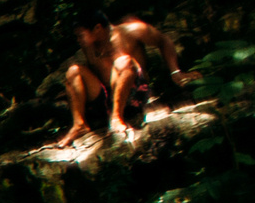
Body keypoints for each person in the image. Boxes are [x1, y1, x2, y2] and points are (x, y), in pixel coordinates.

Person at [56, 9, 198, 147]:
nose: (78, 40)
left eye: (81, 35)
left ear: (97, 28)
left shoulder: (131, 31)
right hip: (105, 100)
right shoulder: (88, 45)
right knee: (73, 71)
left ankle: (117, 117)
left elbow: (163, 41)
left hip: (134, 97)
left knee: (123, 61)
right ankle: (79, 124)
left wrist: (175, 72)